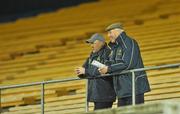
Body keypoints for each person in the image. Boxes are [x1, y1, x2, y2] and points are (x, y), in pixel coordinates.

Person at [99, 23, 151, 107]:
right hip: (122, 90)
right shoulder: (114, 47)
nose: (108, 35)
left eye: (110, 32)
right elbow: (112, 64)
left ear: (117, 31)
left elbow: (128, 63)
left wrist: (108, 69)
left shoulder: (129, 42)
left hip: (133, 88)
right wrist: (104, 68)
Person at [75, 33, 116, 110]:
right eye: (90, 43)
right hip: (96, 93)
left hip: (105, 93)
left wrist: (86, 71)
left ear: (101, 43)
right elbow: (84, 69)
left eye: (93, 43)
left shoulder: (108, 53)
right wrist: (80, 72)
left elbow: (104, 70)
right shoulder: (92, 55)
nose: (91, 45)